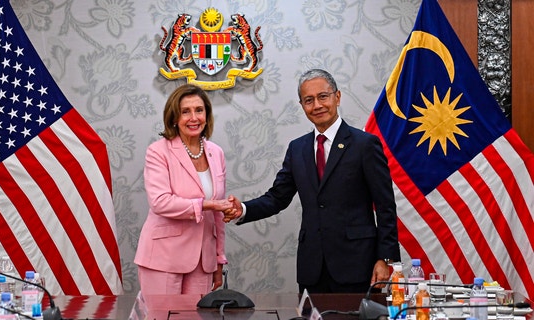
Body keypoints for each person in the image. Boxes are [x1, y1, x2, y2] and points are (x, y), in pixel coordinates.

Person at [224, 68, 401, 293]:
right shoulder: (297, 149)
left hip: (357, 265)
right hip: (312, 268)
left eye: (323, 97)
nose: (317, 105)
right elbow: (277, 198)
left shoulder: (364, 145)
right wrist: (243, 209)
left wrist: (385, 259)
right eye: (309, 100)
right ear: (302, 106)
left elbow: (385, 207)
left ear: (337, 97)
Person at [134, 84, 235, 296]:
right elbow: (160, 202)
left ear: (207, 115)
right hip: (163, 257)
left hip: (202, 261)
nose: (194, 117)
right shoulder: (158, 151)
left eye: (199, 110)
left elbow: (218, 215)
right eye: (185, 111)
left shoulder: (216, 153)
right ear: (174, 118)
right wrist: (206, 204)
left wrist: (218, 258)